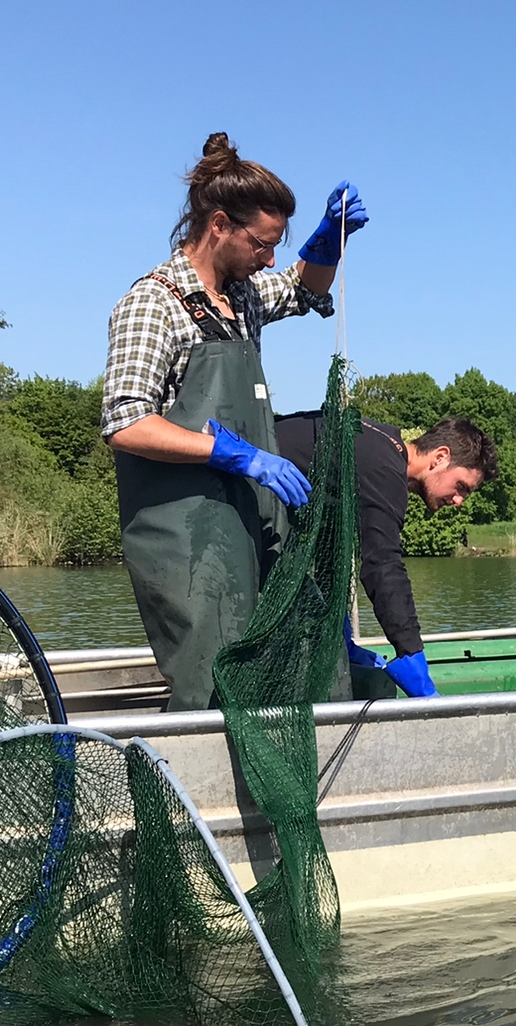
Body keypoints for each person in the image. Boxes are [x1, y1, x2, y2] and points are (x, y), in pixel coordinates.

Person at [100, 132, 368, 710]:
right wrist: (233, 453)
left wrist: (328, 240)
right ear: (219, 224)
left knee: (284, 657)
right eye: (262, 244)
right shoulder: (153, 303)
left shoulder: (241, 296)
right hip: (187, 543)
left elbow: (300, 288)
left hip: (250, 522)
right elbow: (126, 424)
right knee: (211, 682)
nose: (268, 259)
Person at [272, 412, 497, 697]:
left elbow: (331, 545)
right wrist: (410, 651)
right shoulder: (384, 469)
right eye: (461, 486)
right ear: (440, 457)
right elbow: (382, 565)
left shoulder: (380, 443)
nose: (459, 501)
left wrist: (341, 638)